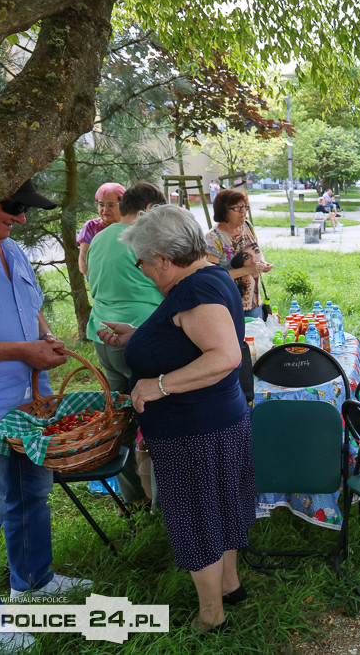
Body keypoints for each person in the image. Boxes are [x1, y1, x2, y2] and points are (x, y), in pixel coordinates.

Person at [99, 204, 255, 633]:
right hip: (216, 421)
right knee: (222, 507)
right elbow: (192, 337)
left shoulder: (194, 291)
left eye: (144, 262)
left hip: (193, 430)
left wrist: (158, 385)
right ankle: (230, 585)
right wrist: (141, 338)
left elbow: (223, 355)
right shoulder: (210, 274)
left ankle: (211, 616)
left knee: (196, 515)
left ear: (165, 260)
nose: (143, 270)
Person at [0, 179, 92, 654]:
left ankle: (33, 582)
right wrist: (20, 349)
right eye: (11, 207)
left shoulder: (12, 250)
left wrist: (46, 340)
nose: (21, 218)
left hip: (33, 404)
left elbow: (34, 312)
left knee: (32, 493)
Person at [86, 181, 167, 509]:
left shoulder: (100, 237)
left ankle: (132, 498)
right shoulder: (144, 240)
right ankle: (163, 504)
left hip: (102, 337)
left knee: (121, 422)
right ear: (148, 210)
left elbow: (93, 282)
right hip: (139, 338)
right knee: (159, 422)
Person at [205, 188, 273, 320]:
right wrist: (248, 270)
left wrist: (263, 264)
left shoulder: (247, 226)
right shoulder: (214, 238)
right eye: (237, 208)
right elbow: (213, 276)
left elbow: (257, 250)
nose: (243, 212)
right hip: (231, 306)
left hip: (254, 302)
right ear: (223, 211)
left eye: (244, 207)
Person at [77, 182, 125, 276]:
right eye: (101, 205)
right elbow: (83, 266)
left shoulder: (131, 225)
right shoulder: (92, 227)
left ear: (123, 205)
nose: (105, 210)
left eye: (110, 205)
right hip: (101, 283)